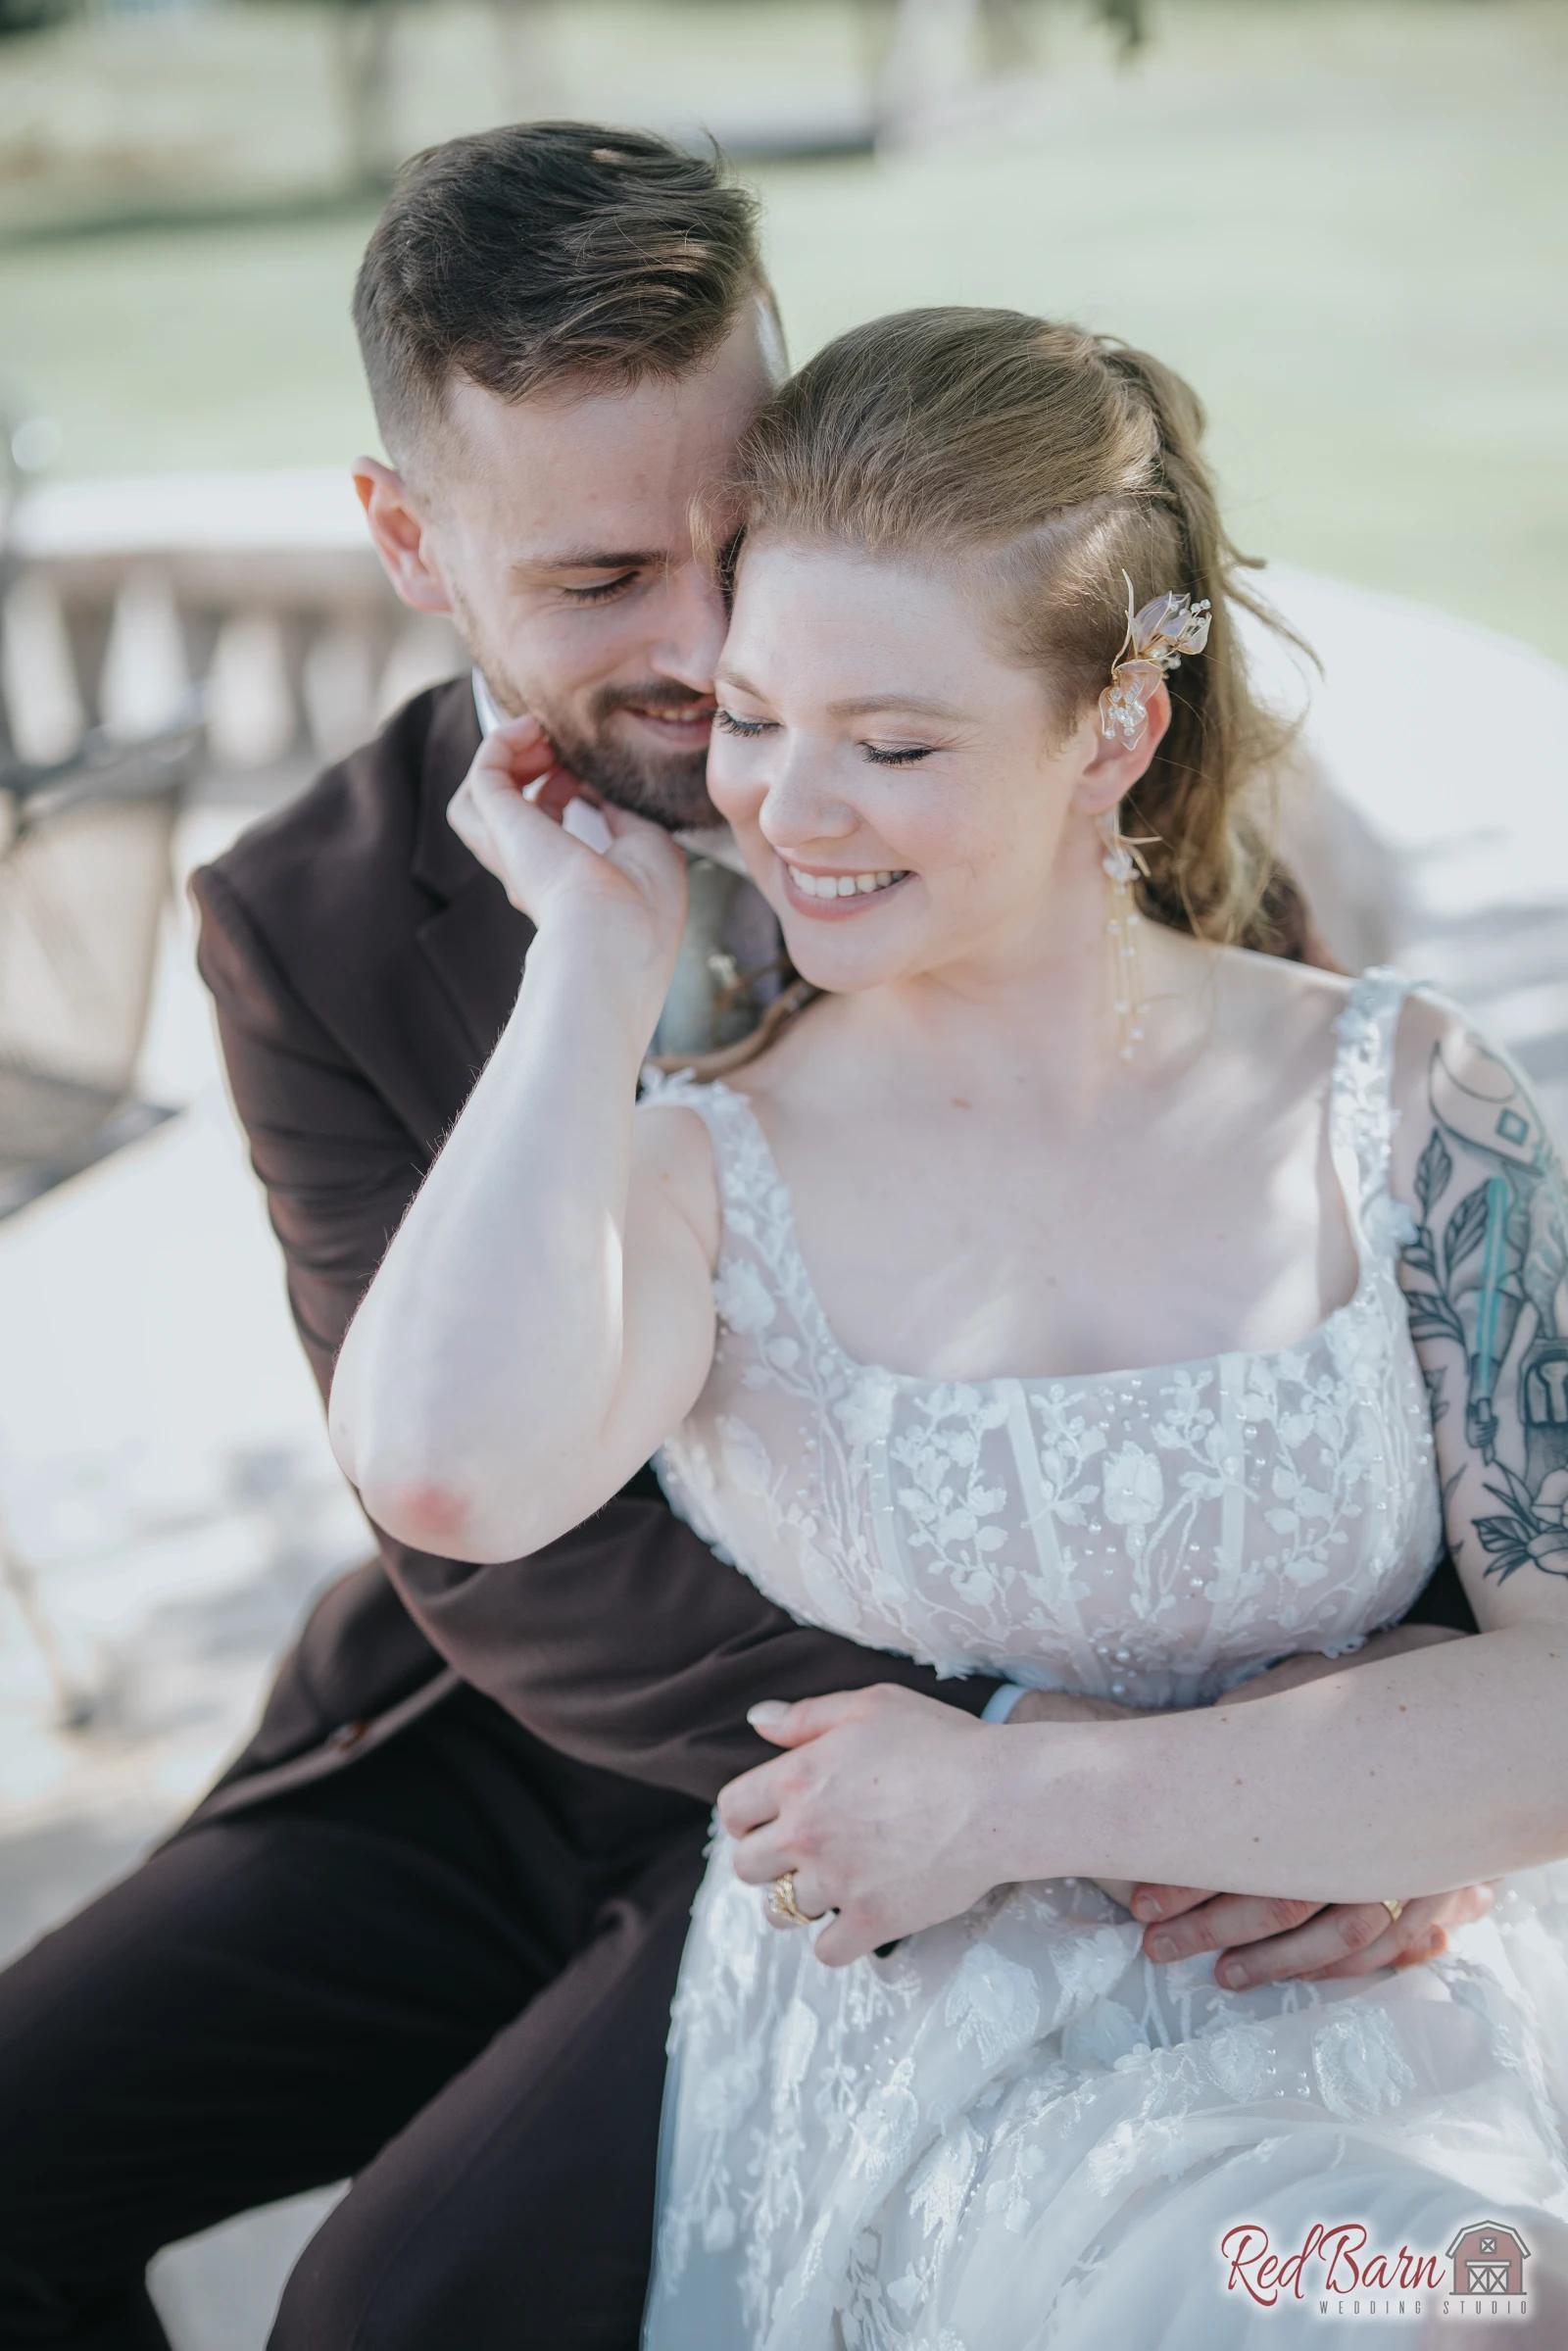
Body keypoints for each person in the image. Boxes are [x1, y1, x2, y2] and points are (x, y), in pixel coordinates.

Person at [0, 130, 1484, 2351]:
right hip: (538, 1733)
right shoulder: (300, 919)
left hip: (995, 1779)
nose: (710, 647)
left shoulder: (1030, 773)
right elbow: (500, 1548)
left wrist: (1357, 1768)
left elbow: (1336, 1298)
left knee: (403, 2310)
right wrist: (1017, 1752)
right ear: (408, 542)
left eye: (742, 523)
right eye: (601, 580)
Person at [329, 305, 1568, 2345]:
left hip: (1393, 2009)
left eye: (890, 744)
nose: (786, 807)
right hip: (946, 2092)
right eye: (746, 718)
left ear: (1108, 736)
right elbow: (450, 1472)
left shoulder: (1408, 1108)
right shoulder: (692, 1172)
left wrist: (1027, 1802)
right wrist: (591, 963)